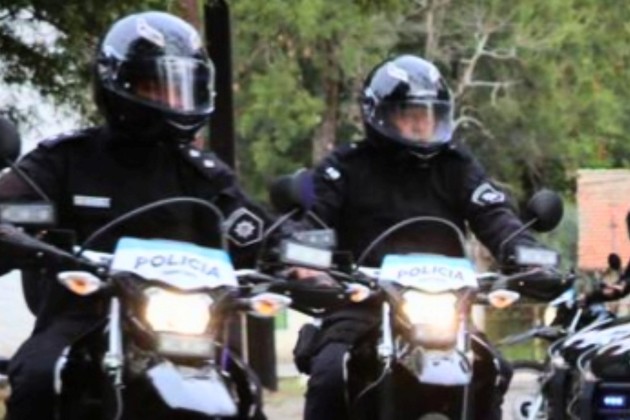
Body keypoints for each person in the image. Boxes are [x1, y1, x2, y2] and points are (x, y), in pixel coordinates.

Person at [0, 11, 270, 420]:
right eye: (156, 86)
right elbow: (11, 205)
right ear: (118, 84)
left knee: (243, 389)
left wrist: (301, 258)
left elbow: (254, 228)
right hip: (84, 317)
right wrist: (11, 231)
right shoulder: (66, 160)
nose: (173, 100)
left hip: (185, 326)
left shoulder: (202, 173)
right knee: (39, 376)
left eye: (181, 88)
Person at [298, 54, 544, 420]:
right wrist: (304, 259)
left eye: (429, 114)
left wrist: (531, 257)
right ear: (379, 114)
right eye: (410, 114)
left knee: (491, 369)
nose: (421, 123)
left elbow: (495, 216)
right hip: (362, 305)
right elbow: (311, 219)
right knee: (332, 373)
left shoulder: (457, 166)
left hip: (446, 308)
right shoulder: (345, 168)